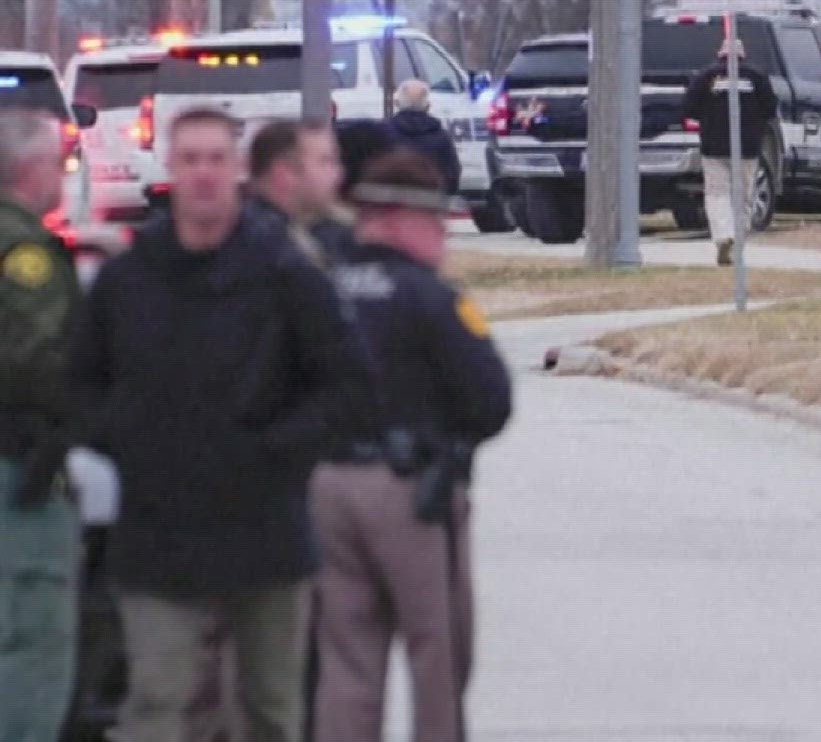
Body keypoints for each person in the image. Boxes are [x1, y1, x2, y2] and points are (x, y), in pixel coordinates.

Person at [69, 106, 375, 742]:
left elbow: (349, 383)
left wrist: (280, 446)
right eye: (190, 159)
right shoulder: (130, 280)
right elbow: (79, 384)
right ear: (169, 170)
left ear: (237, 170)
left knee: (269, 711)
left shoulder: (284, 274)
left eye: (216, 159)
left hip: (266, 530)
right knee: (157, 706)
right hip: (158, 535)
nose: (204, 174)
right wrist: (128, 438)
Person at [311, 149, 512, 742]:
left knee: (347, 661)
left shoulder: (320, 290)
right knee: (439, 657)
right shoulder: (428, 296)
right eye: (435, 222)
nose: (441, 238)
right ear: (401, 218)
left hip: (326, 487)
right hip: (410, 491)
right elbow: (491, 397)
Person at [0, 111, 83, 740]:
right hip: (19, 475)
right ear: (31, 169)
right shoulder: (23, 253)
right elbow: (39, 361)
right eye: (58, 161)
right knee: (33, 651)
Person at [682, 39, 777, 265]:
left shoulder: (706, 76)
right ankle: (737, 242)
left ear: (720, 54)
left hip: (713, 147)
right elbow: (770, 109)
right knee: (743, 197)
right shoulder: (757, 77)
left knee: (717, 194)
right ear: (743, 55)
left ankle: (723, 236)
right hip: (748, 148)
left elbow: (688, 108)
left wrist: (708, 117)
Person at [249, 119, 354, 263]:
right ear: (284, 173)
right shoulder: (254, 245)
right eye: (325, 161)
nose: (339, 173)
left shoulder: (340, 227)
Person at [389, 81, 462, 197]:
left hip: (392, 205)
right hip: (431, 204)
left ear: (396, 104)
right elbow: (452, 177)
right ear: (428, 106)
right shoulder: (441, 137)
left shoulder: (383, 136)